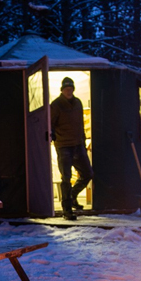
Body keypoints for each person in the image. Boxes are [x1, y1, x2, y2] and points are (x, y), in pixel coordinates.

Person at [50, 76, 93, 220]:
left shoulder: (78, 103)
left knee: (87, 173)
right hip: (63, 146)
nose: (69, 91)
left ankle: (73, 196)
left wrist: (83, 138)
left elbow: (80, 122)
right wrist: (53, 136)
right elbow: (50, 123)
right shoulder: (56, 105)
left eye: (70, 88)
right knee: (66, 178)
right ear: (62, 90)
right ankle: (67, 210)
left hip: (78, 145)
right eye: (66, 89)